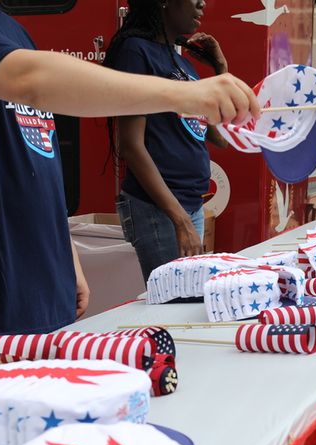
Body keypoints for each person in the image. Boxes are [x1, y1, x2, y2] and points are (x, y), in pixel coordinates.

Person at [0, 0, 258, 360]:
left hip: (44, 298)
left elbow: (36, 152)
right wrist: (185, 95)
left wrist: (64, 250)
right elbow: (31, 79)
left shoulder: (9, 28)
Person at [104, 0, 229, 281]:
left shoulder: (183, 63)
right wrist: (179, 220)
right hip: (159, 211)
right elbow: (130, 145)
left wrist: (221, 69)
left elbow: (220, 137)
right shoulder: (136, 52)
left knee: (185, 305)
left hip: (189, 205)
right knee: (174, 307)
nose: (202, 4)